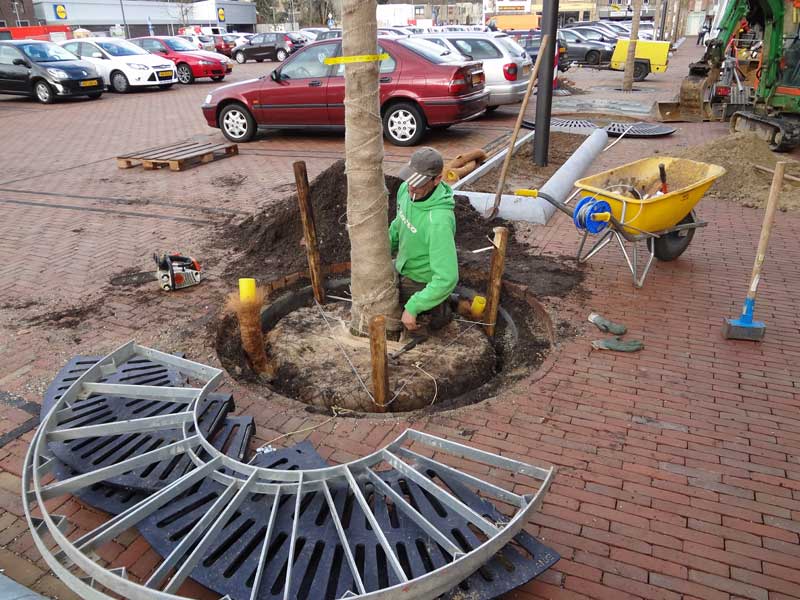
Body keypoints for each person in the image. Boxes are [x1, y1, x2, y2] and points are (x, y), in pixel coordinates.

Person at [389, 147, 458, 332]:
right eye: (411, 178)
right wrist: (380, 252)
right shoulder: (406, 190)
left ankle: (439, 308)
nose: (411, 186)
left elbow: (447, 277)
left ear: (437, 180)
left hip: (422, 280)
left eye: (419, 183)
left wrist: (414, 307)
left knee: (403, 324)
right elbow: (398, 225)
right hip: (401, 266)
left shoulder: (438, 221)